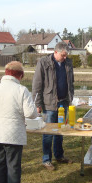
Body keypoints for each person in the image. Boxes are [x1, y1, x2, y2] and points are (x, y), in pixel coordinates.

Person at [0, 61, 38, 183]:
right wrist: (35, 109)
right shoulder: (21, 90)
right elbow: (30, 114)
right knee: (13, 167)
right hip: (13, 134)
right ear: (20, 75)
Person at [32, 42, 74, 171]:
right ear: (56, 52)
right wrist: (38, 104)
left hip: (64, 102)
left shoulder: (68, 63)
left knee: (60, 131)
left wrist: (70, 97)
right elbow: (37, 85)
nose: (65, 57)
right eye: (63, 55)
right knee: (48, 132)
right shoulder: (43, 63)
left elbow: (71, 81)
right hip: (49, 103)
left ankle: (59, 155)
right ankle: (46, 159)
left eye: (66, 55)